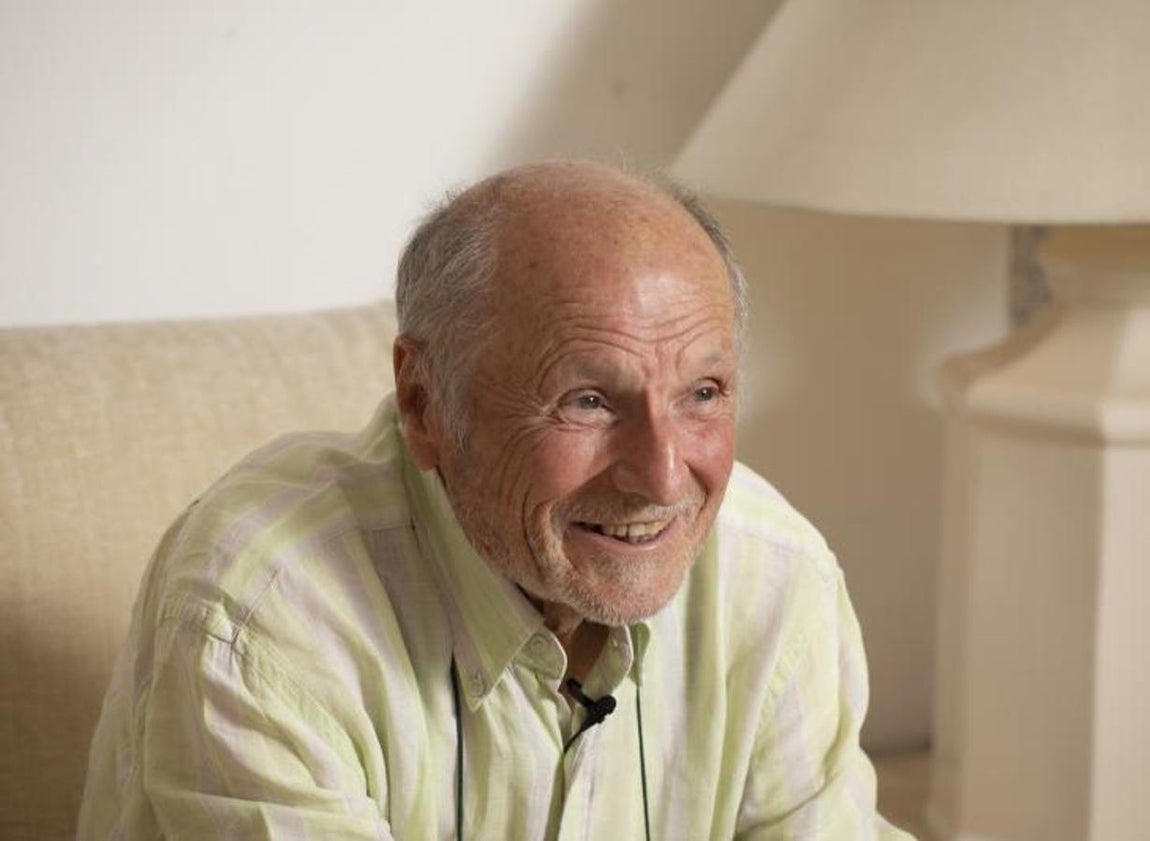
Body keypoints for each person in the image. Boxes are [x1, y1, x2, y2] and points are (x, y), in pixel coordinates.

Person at [78, 161, 913, 840]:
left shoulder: (777, 576)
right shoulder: (262, 616)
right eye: (588, 399)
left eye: (703, 392)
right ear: (423, 402)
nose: (662, 479)